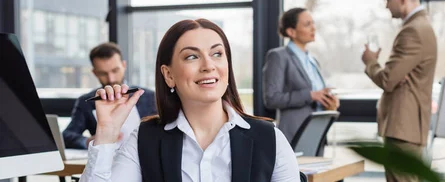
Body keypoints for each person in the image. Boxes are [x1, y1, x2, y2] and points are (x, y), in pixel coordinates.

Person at [80, 18, 300, 182]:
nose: (208, 65)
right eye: (192, 56)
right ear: (169, 75)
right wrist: (107, 133)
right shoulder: (144, 139)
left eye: (217, 54)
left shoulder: (269, 138)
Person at [361, 0, 437, 181]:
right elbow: (394, 77)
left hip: (403, 127)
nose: (386, 5)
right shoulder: (420, 26)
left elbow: (387, 79)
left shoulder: (413, 30)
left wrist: (370, 61)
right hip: (409, 127)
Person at [262, 8, 339, 149]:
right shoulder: (278, 56)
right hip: (295, 133)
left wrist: (329, 102)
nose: (313, 28)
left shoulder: (313, 60)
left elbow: (317, 97)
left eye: (313, 23)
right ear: (291, 32)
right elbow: (271, 98)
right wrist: (310, 95)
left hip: (318, 132)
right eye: (307, 24)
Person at [62, 42, 156, 149]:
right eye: (103, 73)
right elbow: (66, 136)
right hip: (106, 159)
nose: (111, 79)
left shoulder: (149, 97)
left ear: (124, 66)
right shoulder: (86, 102)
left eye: (115, 70)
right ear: (95, 73)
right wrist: (90, 141)